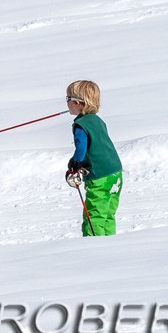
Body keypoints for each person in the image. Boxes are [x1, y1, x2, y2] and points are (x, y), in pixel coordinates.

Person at [64, 80, 123, 235]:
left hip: (99, 177)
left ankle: (94, 249)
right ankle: (111, 242)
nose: (66, 104)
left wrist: (75, 164)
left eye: (67, 99)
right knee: (108, 213)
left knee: (94, 216)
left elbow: (82, 147)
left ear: (77, 102)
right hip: (115, 173)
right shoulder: (98, 121)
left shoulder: (81, 124)